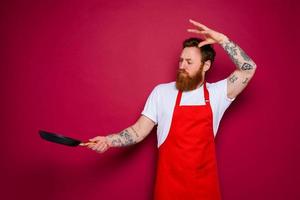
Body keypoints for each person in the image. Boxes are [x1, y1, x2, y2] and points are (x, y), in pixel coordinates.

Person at [86, 19, 257, 200]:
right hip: (169, 189)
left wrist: (223, 40)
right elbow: (138, 131)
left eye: (189, 62)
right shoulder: (162, 92)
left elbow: (248, 69)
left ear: (205, 66)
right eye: (181, 60)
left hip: (205, 190)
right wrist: (109, 140)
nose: (182, 66)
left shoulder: (218, 94)